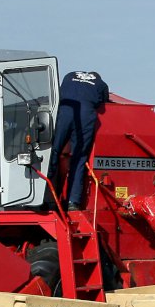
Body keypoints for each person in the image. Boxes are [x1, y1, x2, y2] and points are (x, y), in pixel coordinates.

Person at [51, 70, 111, 210]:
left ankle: (47, 197)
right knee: (78, 159)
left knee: (53, 153)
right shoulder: (100, 83)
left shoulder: (69, 75)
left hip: (65, 111)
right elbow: (104, 105)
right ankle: (73, 201)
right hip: (85, 115)